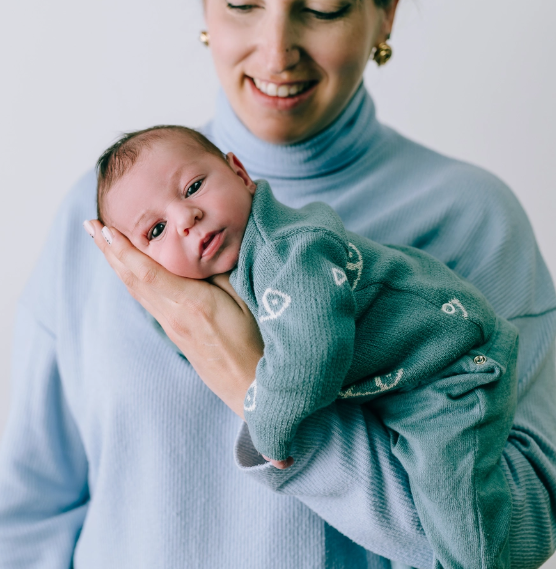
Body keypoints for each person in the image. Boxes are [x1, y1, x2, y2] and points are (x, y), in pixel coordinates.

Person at [0, 0, 556, 568]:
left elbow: (509, 540)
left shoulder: (471, 217)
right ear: (205, 0)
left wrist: (251, 384)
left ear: (386, 8)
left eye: (323, 8)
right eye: (240, 3)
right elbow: (34, 513)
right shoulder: (103, 224)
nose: (277, 53)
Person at [94, 123, 518, 567]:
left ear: (239, 172)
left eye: (194, 187)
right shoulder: (233, 270)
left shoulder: (289, 248)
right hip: (401, 386)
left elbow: (313, 352)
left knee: (457, 507)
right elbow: (198, 339)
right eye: (156, 230)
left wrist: (268, 427)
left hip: (452, 371)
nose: (185, 218)